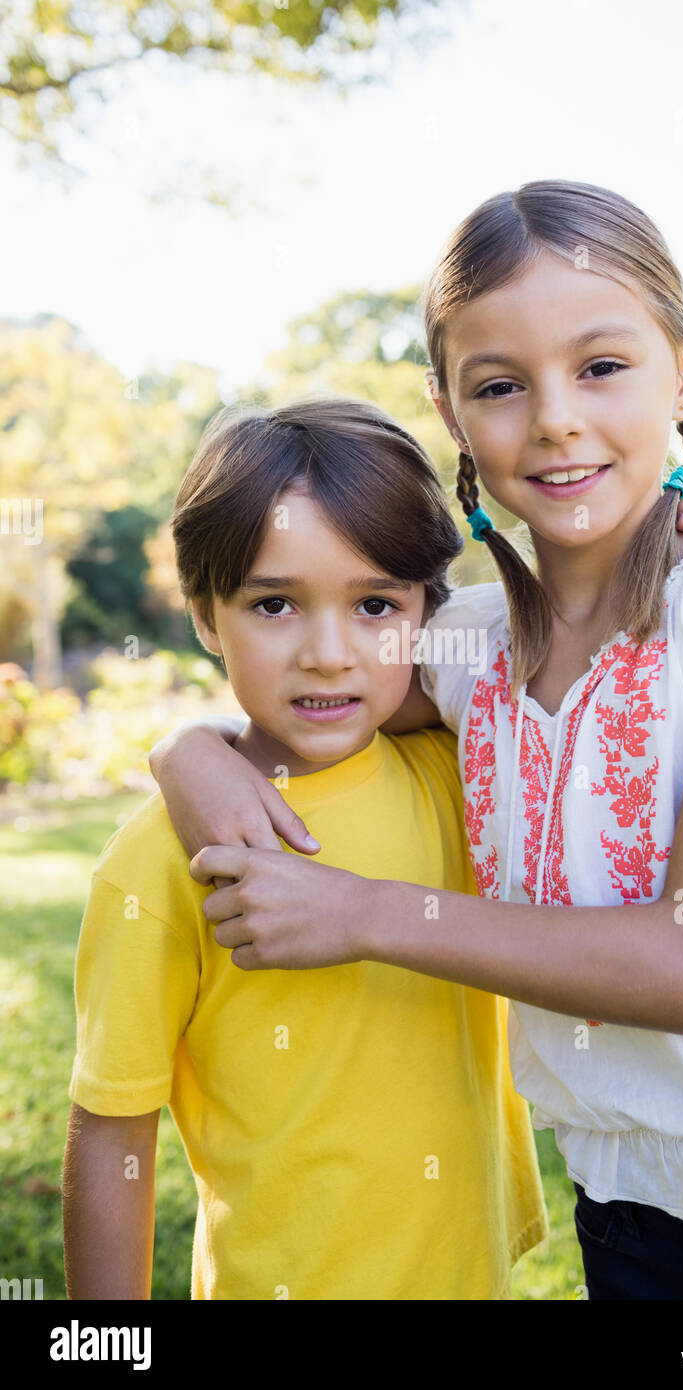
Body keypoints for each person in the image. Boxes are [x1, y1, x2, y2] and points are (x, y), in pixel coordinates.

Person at [150, 181, 683, 1302]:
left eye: (601, 367)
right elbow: (313, 701)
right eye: (499, 384)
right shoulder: (466, 649)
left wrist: (363, 915)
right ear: (448, 410)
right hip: (622, 1193)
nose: (554, 419)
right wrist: (186, 746)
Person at [62, 396, 550, 1301]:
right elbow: (110, 1129)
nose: (329, 654)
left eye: (375, 605)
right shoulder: (163, 857)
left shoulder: (463, 765)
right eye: (275, 604)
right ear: (207, 618)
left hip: (467, 1270)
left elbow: (601, 620)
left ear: (425, 617)